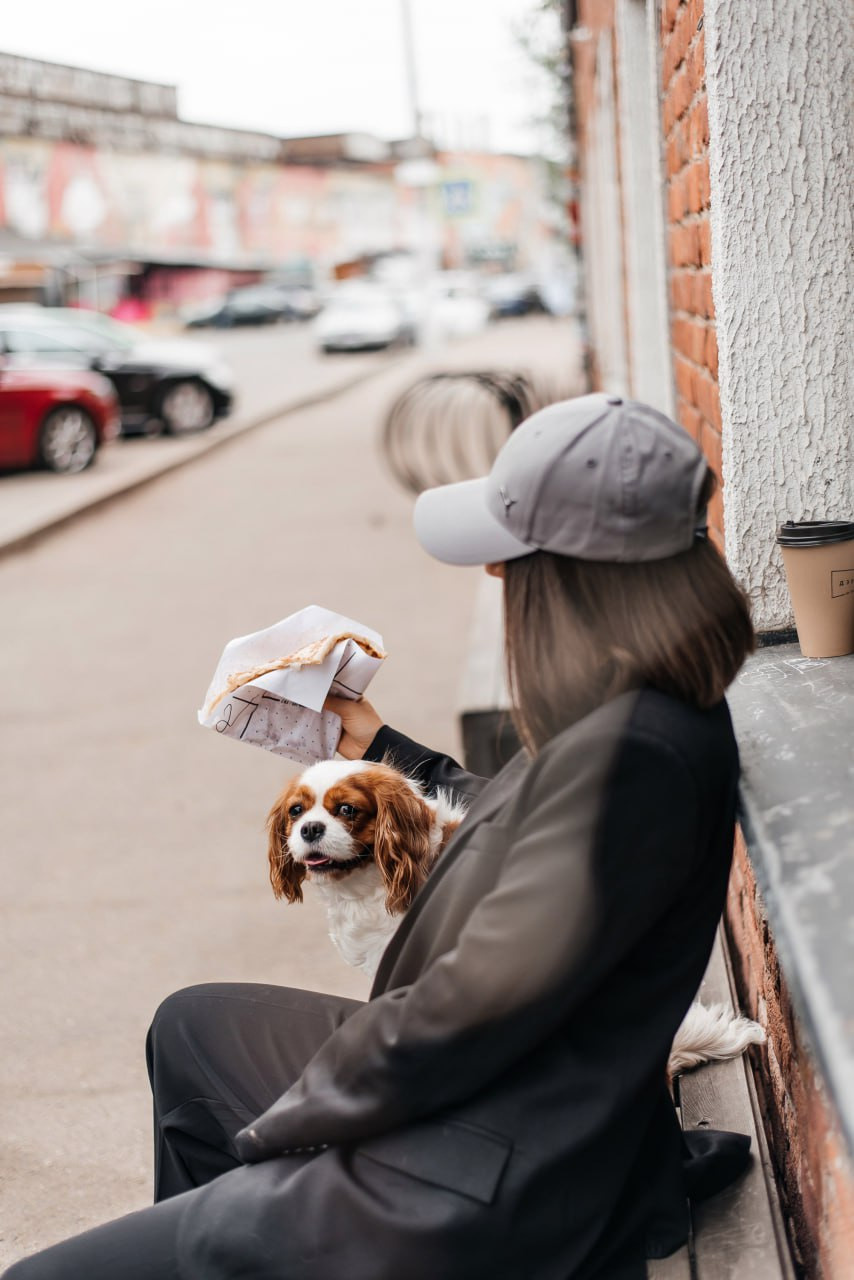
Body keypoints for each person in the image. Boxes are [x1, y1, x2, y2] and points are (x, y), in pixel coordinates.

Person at [5, 393, 755, 1279]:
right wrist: (375, 745)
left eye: (511, 559)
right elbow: (517, 824)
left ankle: (246, 1235)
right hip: (501, 1102)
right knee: (190, 1027)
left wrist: (283, 1130)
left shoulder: (634, 755)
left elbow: (454, 1017)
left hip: (484, 1170)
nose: (494, 578)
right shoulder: (636, 715)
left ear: (575, 581)